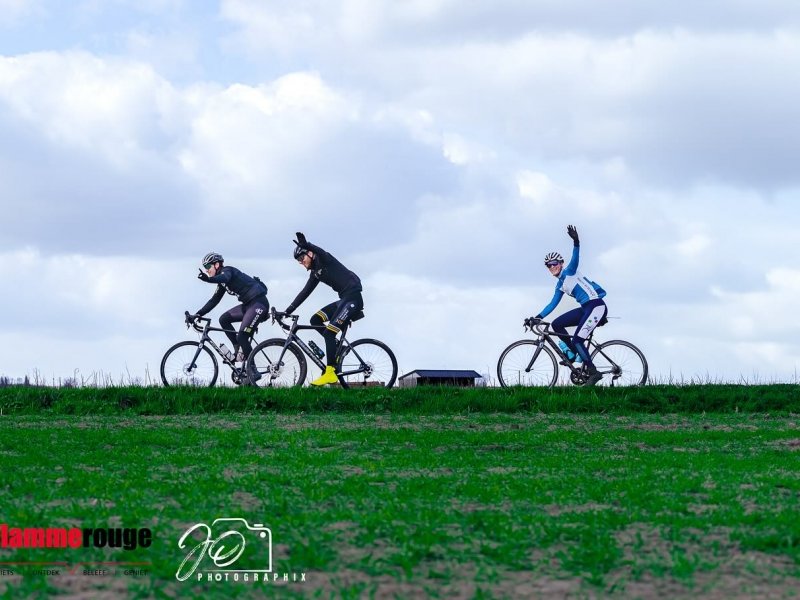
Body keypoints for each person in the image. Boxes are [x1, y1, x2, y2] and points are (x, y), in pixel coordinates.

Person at [526, 225, 607, 387]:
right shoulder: (560, 285)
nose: (552, 267)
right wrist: (537, 317)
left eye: (554, 263)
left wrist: (576, 241)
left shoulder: (570, 271)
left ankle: (594, 372)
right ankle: (574, 353)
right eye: (548, 265)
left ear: (561, 263)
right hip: (586, 309)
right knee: (557, 324)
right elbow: (552, 304)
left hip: (596, 306)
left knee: (577, 339)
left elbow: (576, 257)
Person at [283, 233, 363, 386]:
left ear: (310, 253)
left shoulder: (324, 259)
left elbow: (320, 251)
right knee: (315, 320)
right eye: (298, 261)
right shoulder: (315, 273)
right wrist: (288, 310)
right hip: (344, 300)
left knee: (329, 333)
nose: (301, 262)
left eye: (302, 258)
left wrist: (307, 244)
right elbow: (305, 292)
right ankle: (339, 348)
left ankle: (330, 373)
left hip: (353, 299)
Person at [189, 252, 269, 378]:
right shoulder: (221, 283)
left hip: (258, 304)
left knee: (242, 336)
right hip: (248, 305)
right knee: (224, 319)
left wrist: (208, 279)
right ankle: (238, 350)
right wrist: (198, 314)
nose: (206, 270)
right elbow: (214, 300)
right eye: (205, 268)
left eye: (208, 266)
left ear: (216, 265)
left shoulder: (227, 271)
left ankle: (253, 371)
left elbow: (225, 278)